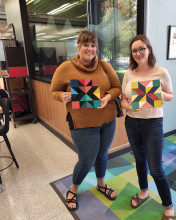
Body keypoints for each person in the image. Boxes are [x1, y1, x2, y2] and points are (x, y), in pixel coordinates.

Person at [50, 30, 122, 211]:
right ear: (79, 46)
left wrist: (107, 97)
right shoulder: (65, 68)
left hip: (107, 120)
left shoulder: (104, 66)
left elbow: (117, 87)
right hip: (82, 124)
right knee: (86, 160)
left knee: (103, 153)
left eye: (93, 45)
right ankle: (73, 190)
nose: (90, 49)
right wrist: (63, 96)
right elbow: (53, 91)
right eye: (86, 45)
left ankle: (101, 184)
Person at [121, 35, 176, 220]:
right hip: (132, 122)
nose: (138, 53)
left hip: (153, 123)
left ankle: (168, 206)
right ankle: (143, 192)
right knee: (139, 159)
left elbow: (171, 95)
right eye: (134, 50)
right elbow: (123, 99)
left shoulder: (161, 72)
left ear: (149, 49)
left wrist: (161, 95)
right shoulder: (129, 73)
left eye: (141, 49)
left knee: (155, 168)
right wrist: (127, 106)